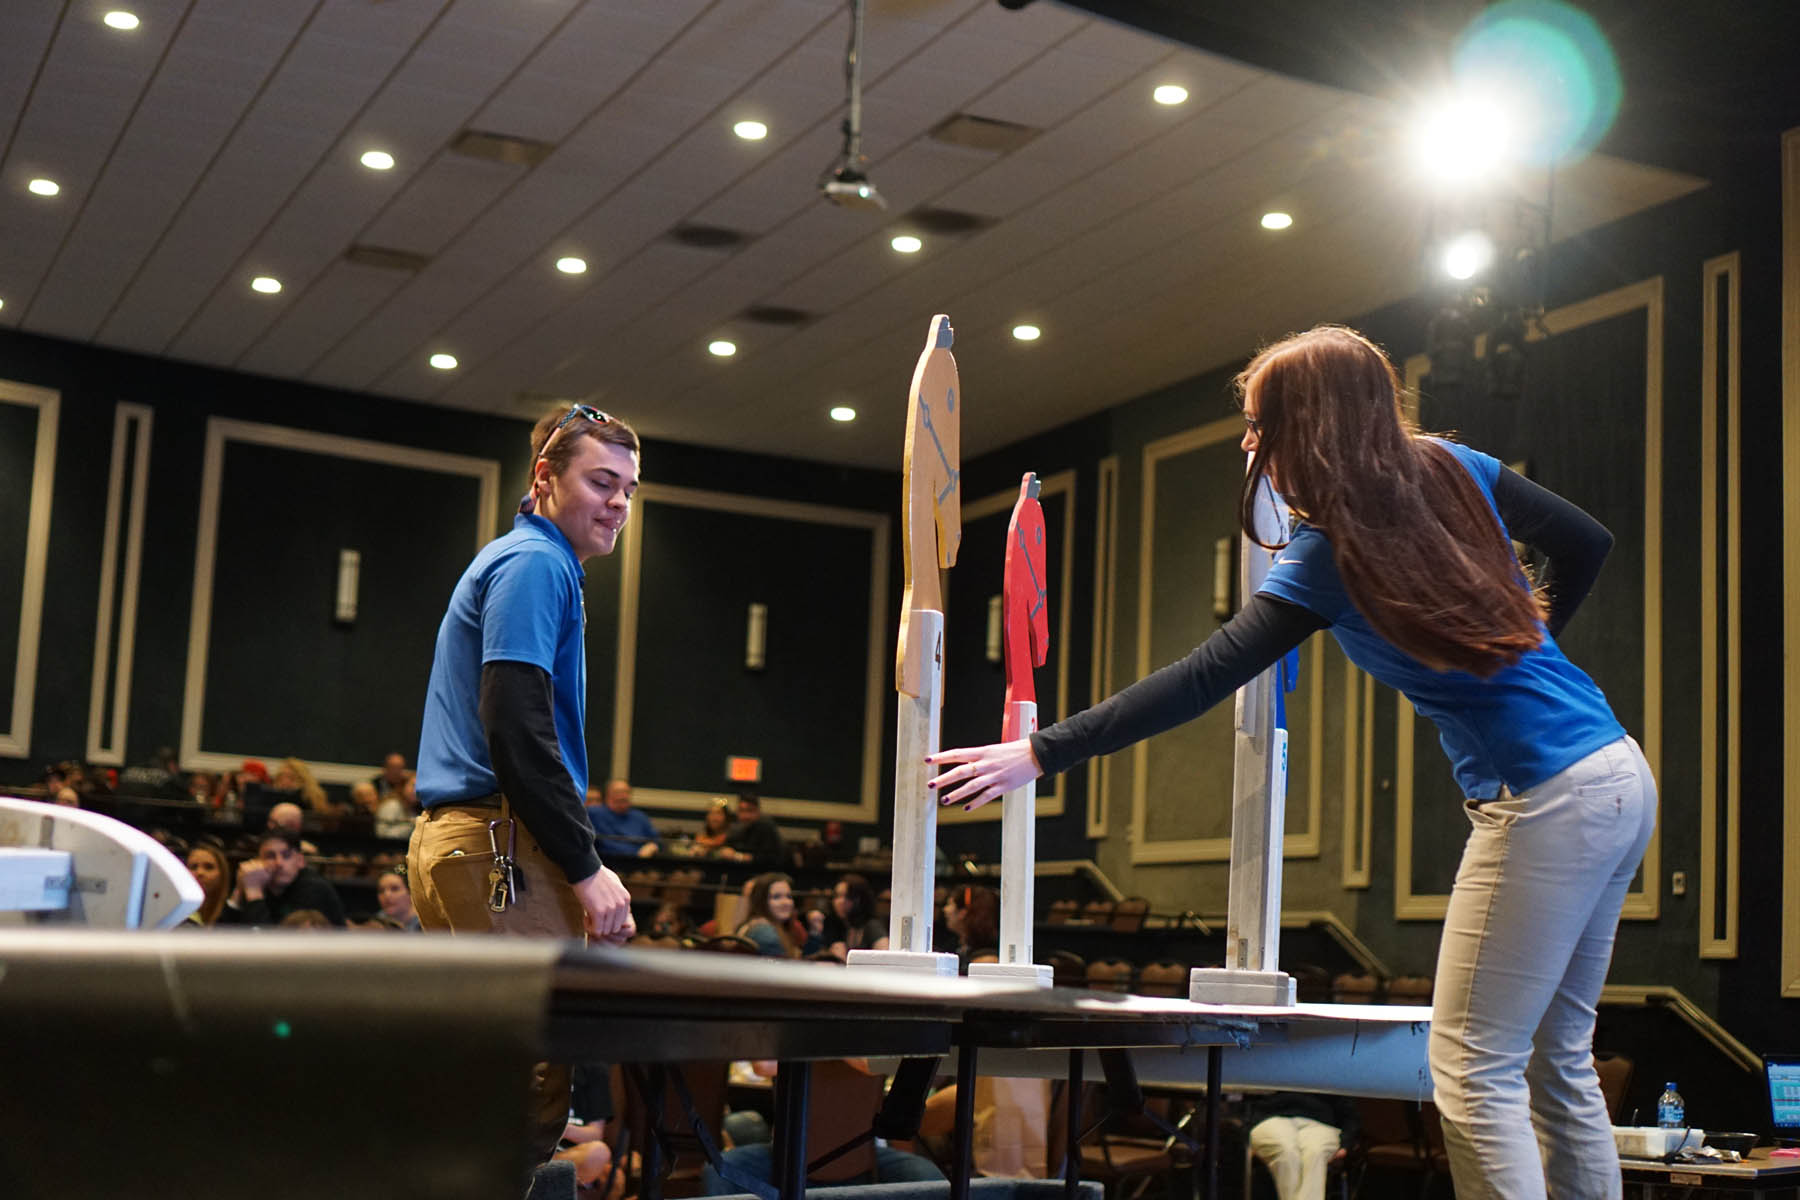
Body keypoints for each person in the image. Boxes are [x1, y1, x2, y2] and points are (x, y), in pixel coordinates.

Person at [928, 325, 1655, 1200]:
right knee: (1555, 1058)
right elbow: (1590, 543)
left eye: (1257, 423)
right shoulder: (1457, 469)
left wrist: (1040, 750)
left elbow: (1202, 675)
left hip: (1543, 798)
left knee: (1471, 1067)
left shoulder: (1327, 552)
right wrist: (1524, 645)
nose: (1246, 442)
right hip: (1617, 769)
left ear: (1307, 429)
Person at [411, 403, 639, 1170]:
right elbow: (514, 724)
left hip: (465, 840)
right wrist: (586, 865)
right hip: (499, 843)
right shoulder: (536, 564)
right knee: (525, 1085)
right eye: (602, 482)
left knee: (471, 1080)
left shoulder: (527, 561)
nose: (619, 504)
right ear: (545, 477)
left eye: (629, 491)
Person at [1243, 1091, 1360, 1200]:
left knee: (1315, 1152)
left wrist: (1346, 1143)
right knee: (1286, 1150)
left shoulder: (1331, 1071)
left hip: (1322, 1124)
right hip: (1269, 1117)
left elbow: (1349, 1112)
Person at [219, 830, 348, 927]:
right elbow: (220, 939)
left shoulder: (314, 888)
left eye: (286, 856)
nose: (279, 863)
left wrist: (254, 894)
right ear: (258, 861)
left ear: (300, 861)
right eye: (270, 856)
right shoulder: (256, 881)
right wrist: (239, 891)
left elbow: (274, 950)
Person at [588, 779, 661, 859]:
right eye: (618, 792)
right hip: (608, 861)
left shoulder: (639, 817)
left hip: (640, 863)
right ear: (608, 795)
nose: (622, 795)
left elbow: (657, 841)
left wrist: (652, 846)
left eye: (626, 792)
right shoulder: (594, 813)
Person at [734, 873, 801, 957]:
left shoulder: (755, 924)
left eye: (789, 896)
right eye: (776, 897)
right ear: (761, 901)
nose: (786, 902)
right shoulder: (764, 932)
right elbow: (780, 969)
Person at [823, 872, 887, 959]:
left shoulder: (872, 926)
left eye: (848, 896)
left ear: (861, 899)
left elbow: (886, 960)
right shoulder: (841, 925)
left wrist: (844, 960)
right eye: (837, 896)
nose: (840, 902)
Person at [940, 884, 998, 973]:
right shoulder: (956, 947)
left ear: (963, 912)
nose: (945, 909)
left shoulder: (986, 960)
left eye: (950, 904)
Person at [722, 791, 784, 868]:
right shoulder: (736, 827)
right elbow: (728, 847)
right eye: (742, 810)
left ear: (758, 811)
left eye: (750, 811)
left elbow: (770, 859)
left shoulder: (766, 827)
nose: (745, 816)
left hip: (766, 873)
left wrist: (739, 857)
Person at [183, 842, 232, 926]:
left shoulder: (232, 914)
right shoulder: (176, 912)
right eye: (193, 867)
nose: (200, 872)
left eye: (208, 867)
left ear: (222, 874)